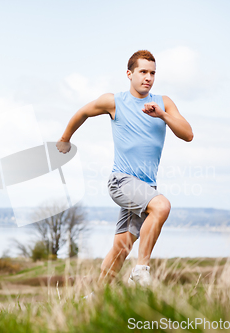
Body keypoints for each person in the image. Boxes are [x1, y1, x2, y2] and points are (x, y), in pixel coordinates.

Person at [56, 50, 193, 288]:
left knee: (121, 248)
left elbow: (188, 134)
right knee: (161, 206)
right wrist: (65, 138)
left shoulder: (164, 103)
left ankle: (96, 297)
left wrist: (162, 115)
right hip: (122, 181)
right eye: (143, 72)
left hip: (145, 188)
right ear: (129, 74)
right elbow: (83, 112)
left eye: (152, 73)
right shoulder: (115, 101)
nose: (148, 77)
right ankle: (141, 270)